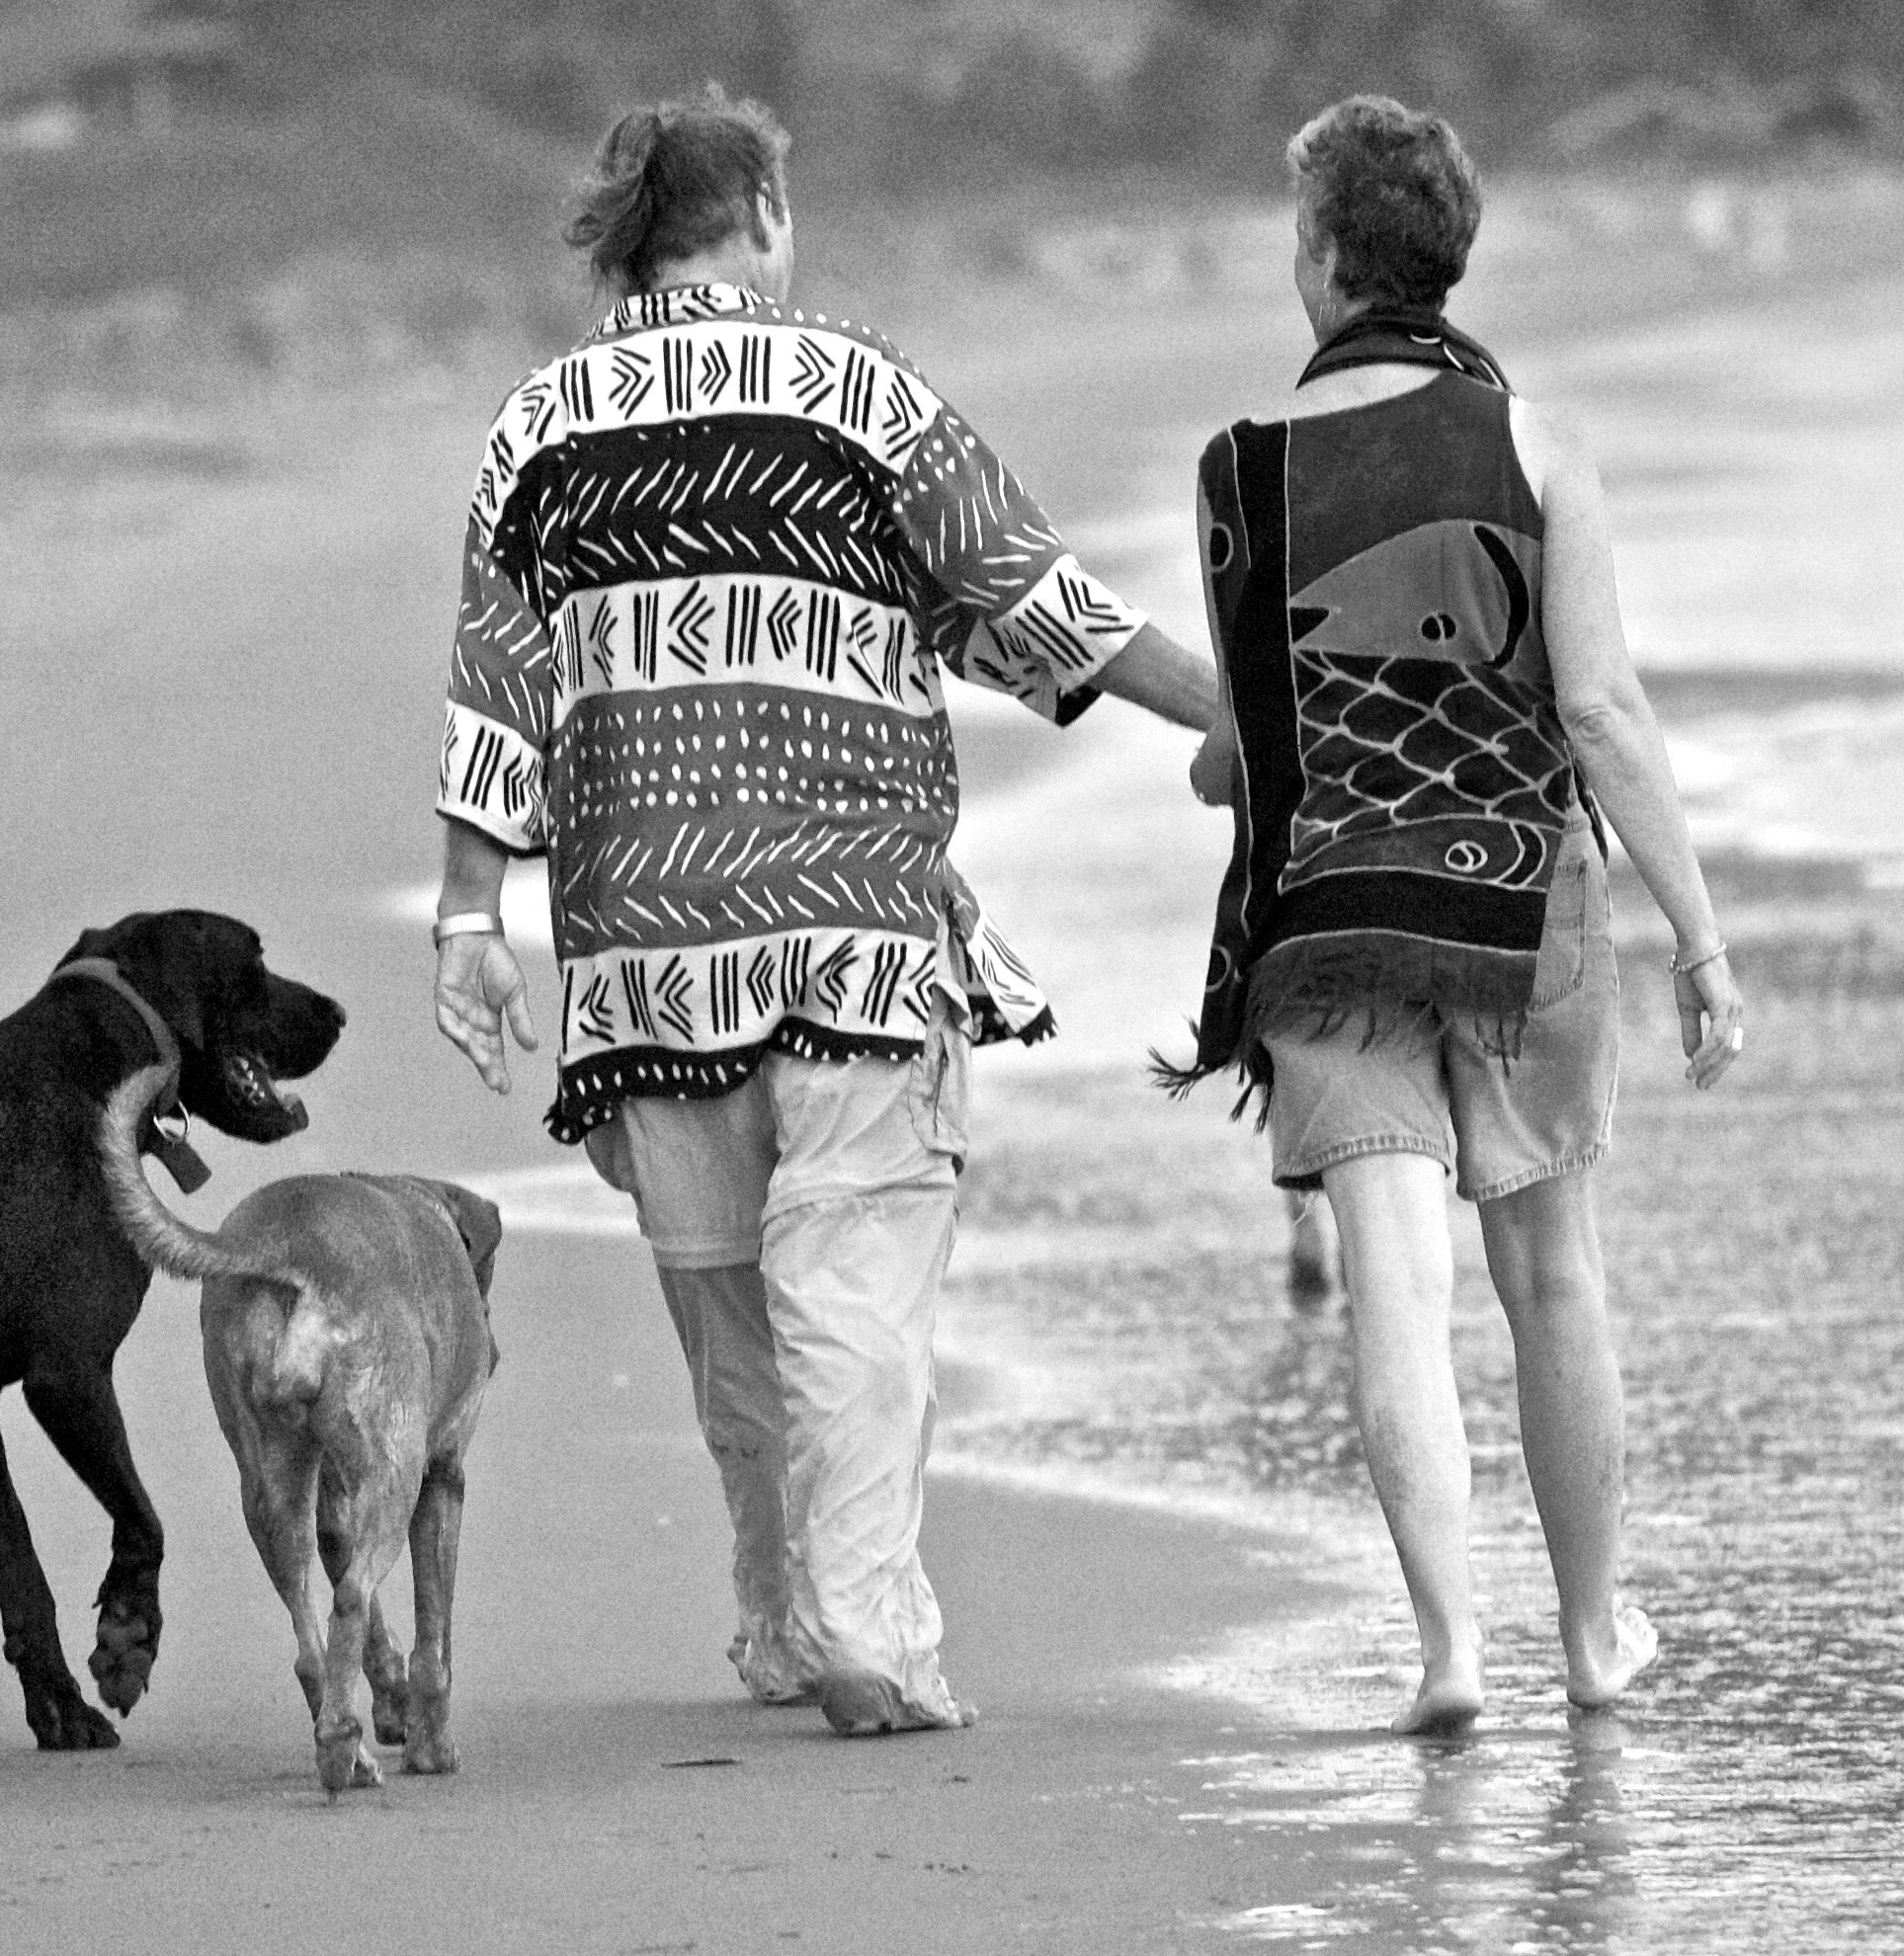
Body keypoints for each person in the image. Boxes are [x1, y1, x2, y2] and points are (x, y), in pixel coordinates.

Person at [429, 90, 1223, 1737]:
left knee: (731, 1318)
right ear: (765, 212)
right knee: (853, 1291)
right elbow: (1034, 603)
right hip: (852, 926)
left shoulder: (537, 427)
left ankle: (785, 1621)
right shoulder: (856, 390)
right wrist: (1237, 722)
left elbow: (495, 692)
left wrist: (465, 925)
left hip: (638, 959)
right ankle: (862, 1621)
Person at [1175, 97, 1749, 1736]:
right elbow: (1605, 712)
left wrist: (1228, 768)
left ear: (1329, 260)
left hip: (1328, 925)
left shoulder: (1239, 475)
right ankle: (1587, 1641)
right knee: (1552, 1279)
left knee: (1392, 1289)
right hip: (1519, 914)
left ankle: (1447, 1656)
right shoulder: (1534, 445)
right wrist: (1701, 942)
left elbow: (1240, 745)